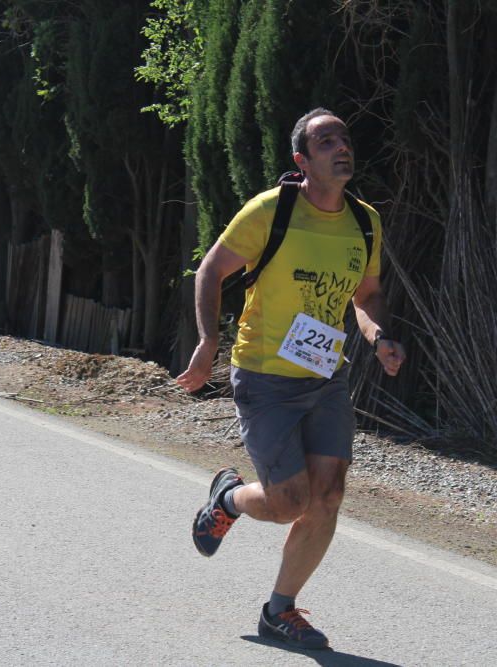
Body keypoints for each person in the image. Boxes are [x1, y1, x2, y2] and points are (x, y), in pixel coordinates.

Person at [176, 108, 406, 650]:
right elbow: (211, 269)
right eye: (326, 141)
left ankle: (279, 612)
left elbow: (365, 294)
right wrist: (209, 341)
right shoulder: (270, 211)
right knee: (288, 504)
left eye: (344, 138)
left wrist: (377, 337)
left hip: (326, 376)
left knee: (328, 496)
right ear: (302, 161)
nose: (341, 147)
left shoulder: (364, 220)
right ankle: (229, 500)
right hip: (265, 377)